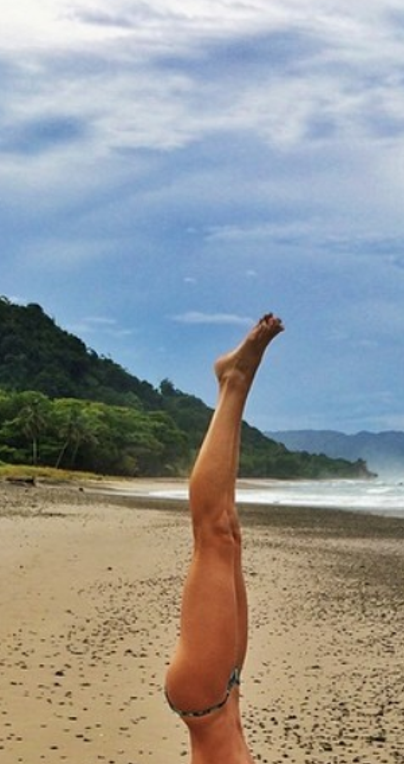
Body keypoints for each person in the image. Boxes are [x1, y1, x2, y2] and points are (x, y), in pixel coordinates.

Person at [164, 313, 284, 764]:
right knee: (229, 531)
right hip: (225, 694)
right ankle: (234, 383)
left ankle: (234, 380)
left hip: (205, 699)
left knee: (212, 532)